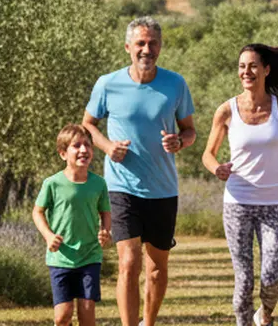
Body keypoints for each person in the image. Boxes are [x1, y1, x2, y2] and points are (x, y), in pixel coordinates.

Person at [82, 16, 196, 326]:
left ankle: (149, 321)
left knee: (156, 268)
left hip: (163, 189)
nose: (147, 49)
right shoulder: (108, 83)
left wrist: (179, 142)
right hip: (122, 187)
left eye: (153, 43)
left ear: (160, 46)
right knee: (129, 263)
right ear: (128, 47)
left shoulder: (175, 84)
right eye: (141, 43)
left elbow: (190, 131)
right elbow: (88, 124)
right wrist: (106, 147)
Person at [202, 35, 278, 326]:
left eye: (253, 66)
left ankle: (265, 313)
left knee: (271, 276)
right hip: (237, 202)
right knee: (243, 279)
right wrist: (217, 168)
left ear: (266, 70)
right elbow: (208, 153)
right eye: (242, 66)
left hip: (273, 202)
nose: (246, 72)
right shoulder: (226, 110)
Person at [32, 123, 113, 326]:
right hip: (61, 258)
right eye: (76, 146)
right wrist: (49, 236)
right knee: (62, 317)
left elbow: (105, 212)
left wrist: (105, 230)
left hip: (89, 256)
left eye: (87, 145)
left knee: (87, 313)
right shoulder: (52, 183)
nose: (83, 150)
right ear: (63, 153)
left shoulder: (99, 183)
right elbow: (37, 212)